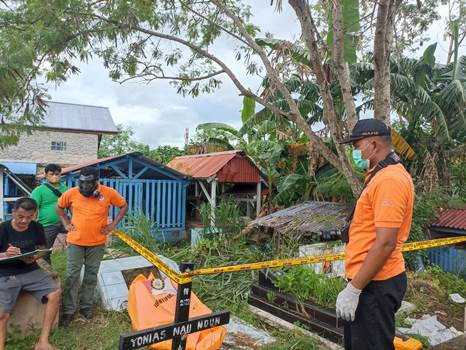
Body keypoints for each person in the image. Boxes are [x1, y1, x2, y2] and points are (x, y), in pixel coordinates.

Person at [336, 119, 414, 350]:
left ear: (373, 143)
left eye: (356, 145)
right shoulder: (378, 175)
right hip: (369, 281)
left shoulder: (390, 179)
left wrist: (355, 289)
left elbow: (385, 243)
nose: (354, 151)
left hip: (376, 284)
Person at [56, 166, 128, 327]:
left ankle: (86, 306)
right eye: (82, 183)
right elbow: (59, 207)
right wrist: (66, 223)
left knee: (90, 275)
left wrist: (113, 225)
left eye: (89, 183)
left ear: (97, 182)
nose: (85, 187)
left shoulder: (108, 193)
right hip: (76, 242)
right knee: (72, 275)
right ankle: (68, 310)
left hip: (97, 243)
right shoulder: (71, 193)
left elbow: (123, 206)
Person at [0, 198, 61, 350]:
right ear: (13, 212)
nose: (25, 220)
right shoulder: (3, 228)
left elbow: (42, 248)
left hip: (30, 269)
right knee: (2, 315)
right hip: (5, 273)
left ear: (35, 214)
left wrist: (34, 257)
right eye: (20, 216)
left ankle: (43, 342)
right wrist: (5, 255)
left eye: (30, 217)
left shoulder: (37, 227)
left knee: (55, 293)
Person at [31, 164, 68, 265]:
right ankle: (47, 273)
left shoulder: (66, 189)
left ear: (60, 175)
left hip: (65, 222)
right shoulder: (39, 190)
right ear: (46, 175)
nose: (55, 176)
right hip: (47, 225)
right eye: (51, 174)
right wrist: (32, 226)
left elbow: (72, 206)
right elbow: (33, 209)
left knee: (80, 240)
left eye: (57, 174)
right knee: (44, 252)